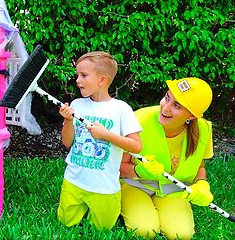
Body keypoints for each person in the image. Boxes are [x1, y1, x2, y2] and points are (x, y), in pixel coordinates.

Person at [57, 51, 143, 231]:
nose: (78, 80)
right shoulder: (77, 104)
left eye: (84, 75)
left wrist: (106, 135)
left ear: (102, 80)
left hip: (104, 186)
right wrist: (68, 120)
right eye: (77, 75)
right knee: (65, 223)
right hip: (74, 181)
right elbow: (67, 143)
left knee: (102, 230)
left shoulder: (121, 109)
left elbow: (136, 146)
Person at [120, 77, 214, 239]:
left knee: (181, 235)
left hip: (173, 190)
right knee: (144, 231)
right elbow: (119, 166)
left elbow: (200, 167)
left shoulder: (203, 129)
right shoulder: (138, 120)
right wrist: (139, 171)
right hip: (135, 184)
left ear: (191, 116)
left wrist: (202, 185)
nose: (166, 107)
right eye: (167, 98)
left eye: (176, 106)